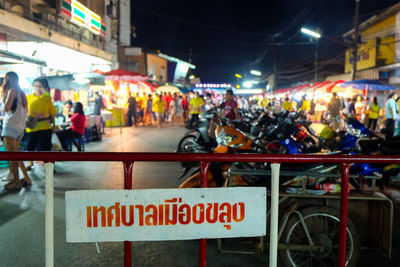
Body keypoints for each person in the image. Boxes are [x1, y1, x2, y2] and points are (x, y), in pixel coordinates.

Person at [1, 72, 31, 190]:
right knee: (16, 156)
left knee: (12, 157)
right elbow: (25, 110)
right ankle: (26, 178)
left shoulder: (11, 91)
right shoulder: (22, 93)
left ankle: (16, 181)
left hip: (10, 127)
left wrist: (3, 108)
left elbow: (7, 107)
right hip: (19, 128)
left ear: (7, 79)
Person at [25, 78, 58, 169]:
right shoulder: (28, 98)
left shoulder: (47, 98)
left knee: (46, 148)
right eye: (36, 86)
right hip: (32, 127)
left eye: (40, 86)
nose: (37, 88)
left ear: (44, 87)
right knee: (30, 146)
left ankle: (48, 166)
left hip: (45, 126)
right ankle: (30, 163)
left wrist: (54, 125)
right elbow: (24, 111)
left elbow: (52, 113)